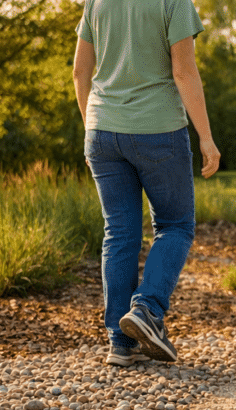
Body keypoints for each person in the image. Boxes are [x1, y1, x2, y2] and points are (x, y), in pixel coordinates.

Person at [72, 0, 221, 367]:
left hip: (102, 130)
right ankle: (147, 309)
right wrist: (206, 137)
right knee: (175, 226)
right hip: (158, 130)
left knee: (119, 233)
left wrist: (92, 124)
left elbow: (80, 72)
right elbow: (184, 72)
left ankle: (120, 343)